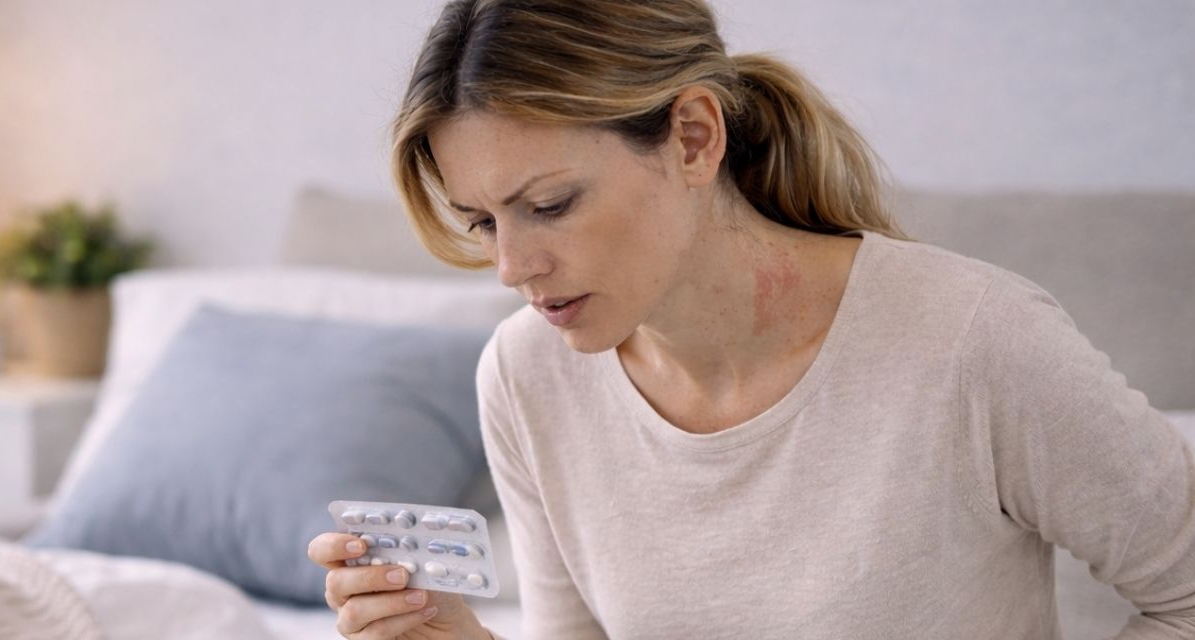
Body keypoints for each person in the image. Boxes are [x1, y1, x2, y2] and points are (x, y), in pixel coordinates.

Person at [306, 0, 1195, 638]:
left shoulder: (976, 341)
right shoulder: (526, 374)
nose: (511, 267)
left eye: (550, 203)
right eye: (483, 222)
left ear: (694, 137)